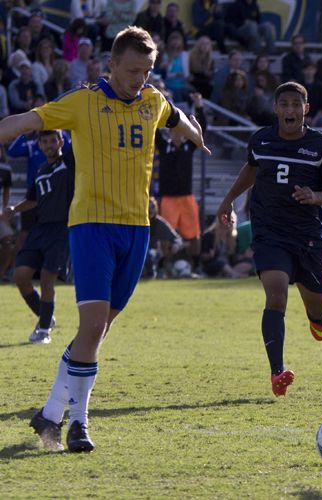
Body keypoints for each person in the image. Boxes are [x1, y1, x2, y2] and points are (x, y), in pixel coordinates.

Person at [0, 26, 209, 453]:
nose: (141, 79)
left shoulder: (152, 100)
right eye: (132, 70)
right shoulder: (82, 102)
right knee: (93, 327)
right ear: (110, 66)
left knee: (98, 330)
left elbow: (175, 114)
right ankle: (78, 422)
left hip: (136, 230)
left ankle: (50, 414)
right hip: (91, 227)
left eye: (147, 71)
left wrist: (195, 133)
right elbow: (27, 120)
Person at [215, 81, 322, 397]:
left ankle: (319, 313)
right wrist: (228, 200)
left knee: (316, 311)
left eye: (295, 104)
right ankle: (277, 372)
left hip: (308, 235)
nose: (289, 110)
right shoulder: (261, 140)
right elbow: (251, 170)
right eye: (283, 104)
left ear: (306, 108)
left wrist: (314, 195)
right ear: (276, 109)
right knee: (275, 294)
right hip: (269, 231)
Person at [1, 129, 72, 344]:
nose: (49, 145)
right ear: (39, 145)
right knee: (20, 277)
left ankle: (43, 331)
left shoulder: (70, 163)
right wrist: (13, 209)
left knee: (46, 279)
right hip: (40, 229)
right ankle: (46, 317)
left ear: (61, 142)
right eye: (44, 142)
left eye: (53, 140)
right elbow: (32, 199)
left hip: (62, 229)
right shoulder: (40, 170)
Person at [156, 92, 205, 270]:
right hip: (168, 197)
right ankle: (163, 266)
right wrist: (162, 101)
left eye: (179, 130)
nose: (176, 133)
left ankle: (196, 266)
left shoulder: (188, 147)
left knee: (194, 234)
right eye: (173, 129)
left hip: (186, 196)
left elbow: (202, 129)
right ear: (169, 131)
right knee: (166, 236)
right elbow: (153, 129)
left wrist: (199, 107)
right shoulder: (164, 146)